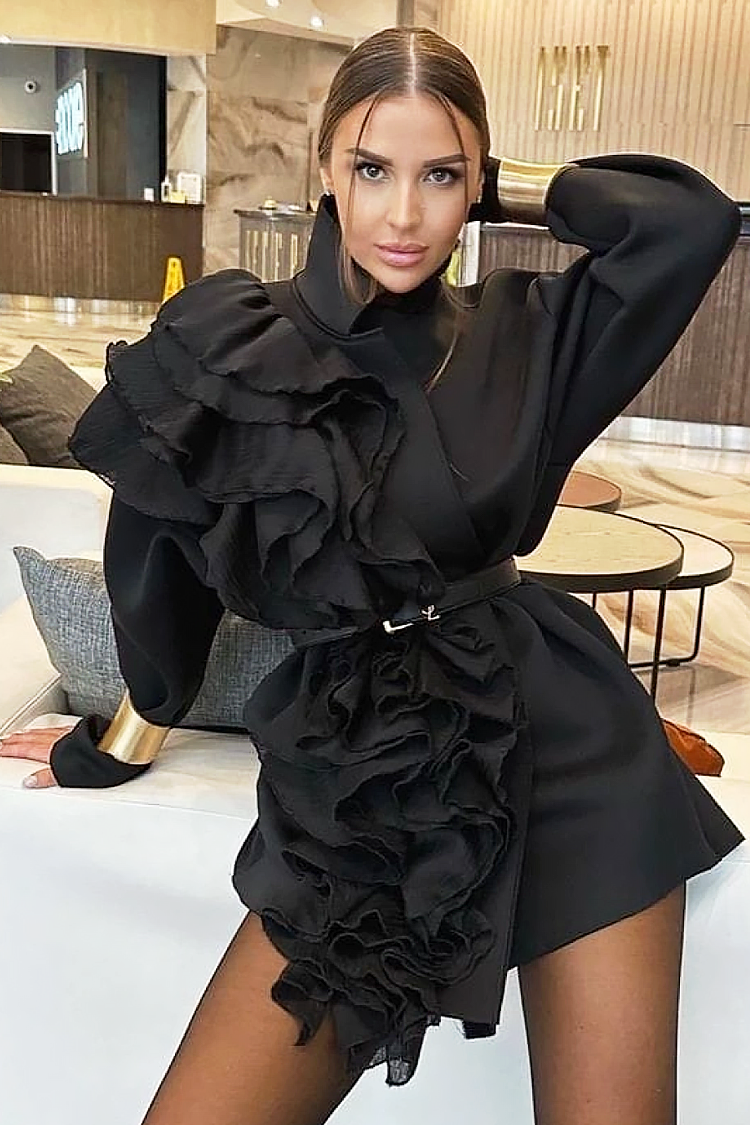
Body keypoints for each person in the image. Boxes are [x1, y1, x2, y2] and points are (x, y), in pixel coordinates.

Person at [0, 24, 744, 1125]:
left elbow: (687, 223)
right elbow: (159, 563)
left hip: (577, 753)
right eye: (371, 168)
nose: (403, 215)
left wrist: (503, 185)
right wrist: (115, 741)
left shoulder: (528, 333)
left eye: (439, 175)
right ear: (324, 167)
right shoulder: (228, 345)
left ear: (477, 182)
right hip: (364, 773)